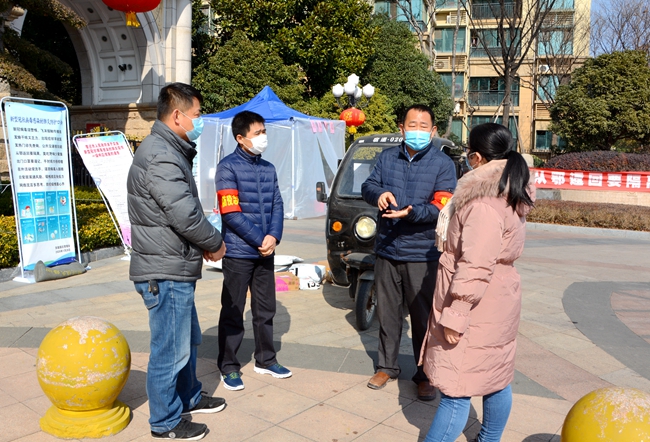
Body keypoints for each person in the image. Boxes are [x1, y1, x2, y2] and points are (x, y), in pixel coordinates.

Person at [420, 123, 536, 442]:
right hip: (498, 298)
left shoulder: (483, 201)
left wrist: (456, 314)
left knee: (456, 390)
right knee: (495, 378)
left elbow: (475, 263)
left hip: (475, 306)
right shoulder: (509, 189)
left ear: (477, 158)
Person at [127, 82, 227, 441]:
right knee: (169, 350)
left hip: (174, 265)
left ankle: (188, 396)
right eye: (197, 115)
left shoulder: (169, 149)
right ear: (177, 115)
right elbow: (183, 213)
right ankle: (165, 422)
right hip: (164, 270)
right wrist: (214, 242)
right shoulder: (161, 155)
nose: (200, 122)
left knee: (187, 340)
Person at [361, 104, 457, 401]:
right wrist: (379, 194)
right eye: (411, 125)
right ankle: (386, 367)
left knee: (423, 318)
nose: (417, 130)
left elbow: (442, 205)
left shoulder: (443, 164)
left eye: (423, 126)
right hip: (387, 248)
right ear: (401, 129)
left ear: (433, 130)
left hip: (422, 254)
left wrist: (412, 213)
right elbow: (368, 185)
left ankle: (425, 375)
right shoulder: (387, 157)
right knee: (388, 313)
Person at [215, 110, 290, 391]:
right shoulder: (227, 168)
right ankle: (228, 366)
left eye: (264, 132)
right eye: (257, 133)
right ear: (240, 138)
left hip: (264, 251)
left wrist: (274, 237)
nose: (263, 137)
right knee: (233, 310)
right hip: (238, 252)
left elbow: (277, 204)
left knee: (266, 309)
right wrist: (261, 239)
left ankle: (266, 359)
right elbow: (231, 213)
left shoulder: (268, 168)